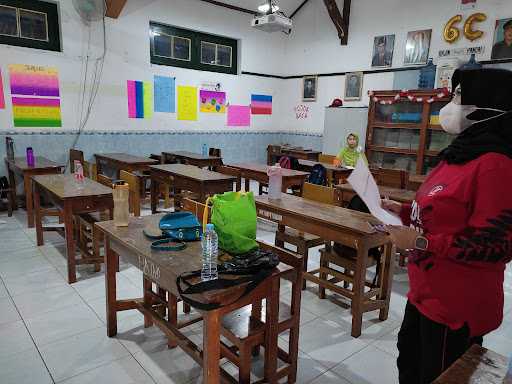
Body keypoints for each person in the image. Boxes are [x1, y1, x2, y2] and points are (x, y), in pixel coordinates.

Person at [382, 68, 512, 384]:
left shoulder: (496, 165)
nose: (450, 104)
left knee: (438, 375)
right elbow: (436, 211)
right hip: (424, 293)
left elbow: (496, 245)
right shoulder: (457, 155)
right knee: (409, 364)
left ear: (487, 107)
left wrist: (422, 242)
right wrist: (399, 210)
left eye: (457, 96)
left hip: (455, 305)